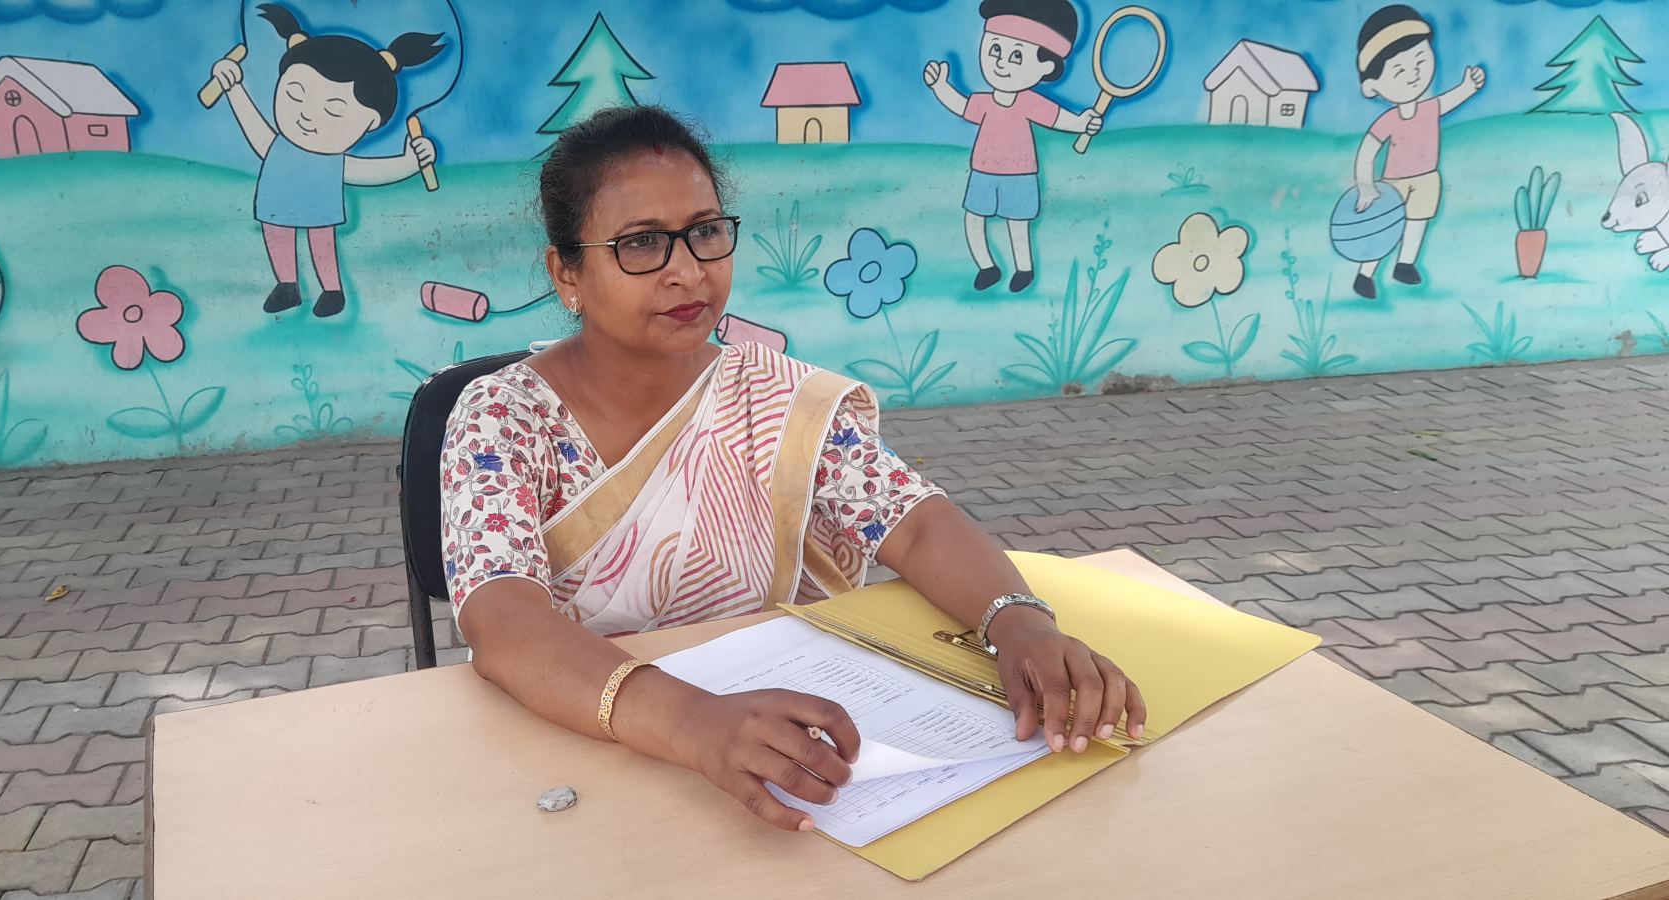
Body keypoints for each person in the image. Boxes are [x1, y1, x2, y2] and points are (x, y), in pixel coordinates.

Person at [441, 104, 1145, 835]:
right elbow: (503, 621)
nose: (688, 271)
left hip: (773, 753)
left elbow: (913, 524)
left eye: (705, 232)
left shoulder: (775, 399)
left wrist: (1019, 623)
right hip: (576, 756)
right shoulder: (504, 416)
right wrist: (694, 723)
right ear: (567, 272)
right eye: (641, 243)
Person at [209, 3, 441, 319]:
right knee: (277, 234)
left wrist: (411, 163)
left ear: (371, 123)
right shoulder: (279, 145)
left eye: (334, 110)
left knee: (321, 241)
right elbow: (256, 132)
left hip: (318, 204)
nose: (306, 115)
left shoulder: (333, 160)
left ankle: (332, 290)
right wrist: (233, 87)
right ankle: (287, 286)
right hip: (275, 198)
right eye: (295, 95)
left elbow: (369, 171)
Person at [923, 0, 1101, 295]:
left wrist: (1081, 124)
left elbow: (1058, 118)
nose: (1001, 63)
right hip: (982, 172)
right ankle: (987, 266)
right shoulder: (984, 102)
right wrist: (940, 86)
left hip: (1020, 174)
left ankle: (1024, 269)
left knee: (1017, 223)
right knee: (973, 218)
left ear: (1046, 66)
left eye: (1017, 55)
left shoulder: (1029, 102)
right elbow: (961, 105)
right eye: (995, 49)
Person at [1349, 4, 1484, 299]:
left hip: (1427, 178)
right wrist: (1365, 186)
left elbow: (1450, 100)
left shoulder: (1429, 109)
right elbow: (1367, 151)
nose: (1413, 74)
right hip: (1394, 183)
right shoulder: (1389, 119)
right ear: (1372, 87)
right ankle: (1365, 274)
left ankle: (1405, 264)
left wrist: (1467, 88)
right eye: (1399, 70)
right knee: (1385, 228)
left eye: (1420, 60)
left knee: (1418, 222)